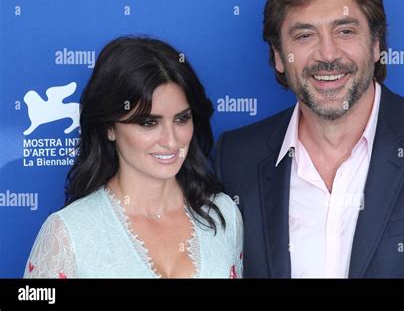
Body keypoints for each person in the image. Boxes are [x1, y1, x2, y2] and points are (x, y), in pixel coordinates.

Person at [216, 0, 404, 278]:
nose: (328, 54)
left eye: (346, 31)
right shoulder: (234, 158)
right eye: (305, 35)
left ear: (377, 43)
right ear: (279, 56)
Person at [24, 36, 243, 278]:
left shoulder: (223, 214)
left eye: (181, 119)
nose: (171, 141)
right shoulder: (68, 233)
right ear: (109, 128)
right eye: (149, 123)